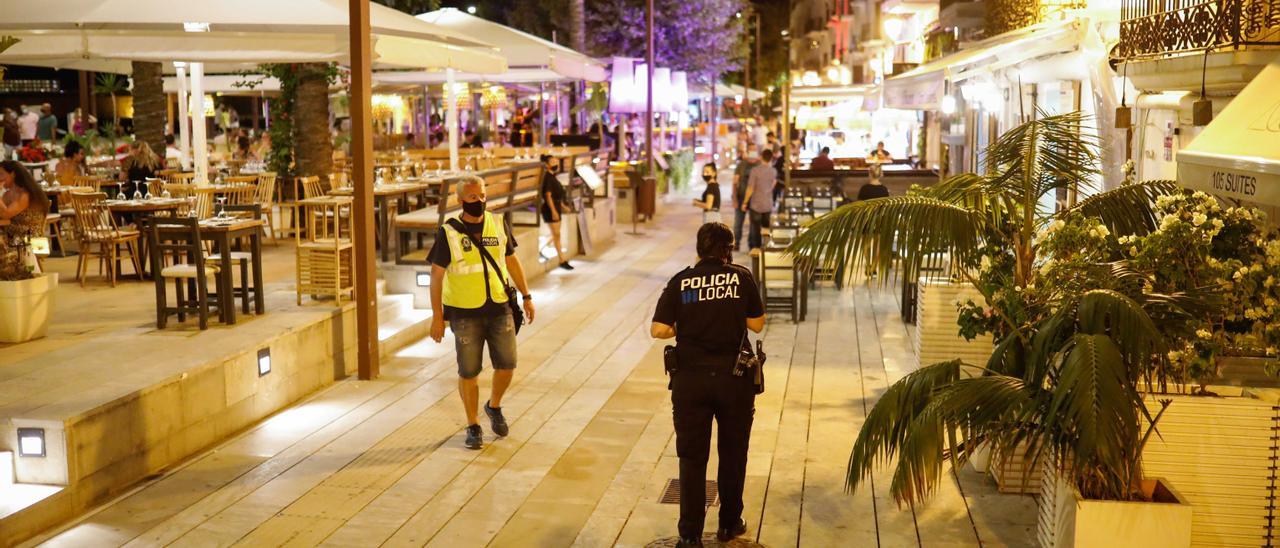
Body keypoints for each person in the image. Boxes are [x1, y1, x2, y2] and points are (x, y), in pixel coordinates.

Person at [651, 222, 765, 548]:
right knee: (733, 453)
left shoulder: (681, 281)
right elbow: (756, 324)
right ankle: (729, 524)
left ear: (699, 249)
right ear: (727, 250)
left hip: (690, 381)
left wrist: (685, 327)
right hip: (734, 380)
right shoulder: (741, 277)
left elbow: (658, 330)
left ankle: (690, 535)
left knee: (691, 458)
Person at [428, 175, 536, 450]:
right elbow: (437, 276)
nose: (480, 201)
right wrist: (437, 316)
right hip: (465, 313)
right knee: (469, 371)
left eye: (483, 196)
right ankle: (473, 424)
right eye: (473, 198)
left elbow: (511, 260)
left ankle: (494, 405)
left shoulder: (497, 223)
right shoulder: (449, 232)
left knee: (507, 364)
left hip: (499, 306)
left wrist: (527, 296)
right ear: (460, 200)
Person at [0, 161, 51, 271]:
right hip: (11, 234)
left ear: (13, 174)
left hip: (29, 239)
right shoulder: (7, 194)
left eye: (1, 174)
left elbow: (6, 214)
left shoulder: (25, 194)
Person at [539, 154, 573, 270]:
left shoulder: (553, 177)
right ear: (547, 165)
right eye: (552, 162)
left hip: (556, 207)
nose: (555, 164)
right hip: (550, 209)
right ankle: (561, 259)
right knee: (556, 234)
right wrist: (553, 211)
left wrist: (562, 206)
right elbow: (548, 196)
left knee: (556, 234)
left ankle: (544, 249)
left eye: (555, 161)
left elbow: (556, 195)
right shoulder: (547, 178)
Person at [740, 148, 776, 250]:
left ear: (761, 157)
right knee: (766, 229)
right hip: (768, 204)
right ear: (771, 159)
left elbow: (750, 188)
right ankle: (766, 250)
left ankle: (756, 251)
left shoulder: (755, 171)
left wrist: (745, 202)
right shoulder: (773, 171)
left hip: (756, 204)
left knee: (755, 229)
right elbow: (773, 184)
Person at [730, 151, 758, 251]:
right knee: (738, 222)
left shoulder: (759, 165)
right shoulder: (741, 165)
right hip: (741, 197)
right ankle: (736, 243)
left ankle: (752, 244)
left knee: (753, 223)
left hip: (755, 199)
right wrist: (734, 199)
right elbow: (734, 182)